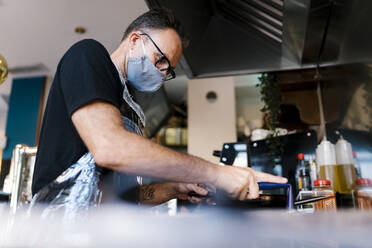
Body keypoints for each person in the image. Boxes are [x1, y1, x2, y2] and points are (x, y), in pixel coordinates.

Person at [31, 8, 287, 213]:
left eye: (169, 69)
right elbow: (110, 148)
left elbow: (128, 198)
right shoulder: (89, 56)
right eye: (160, 59)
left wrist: (175, 188)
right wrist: (218, 174)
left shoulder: (129, 107)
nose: (163, 73)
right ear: (134, 40)